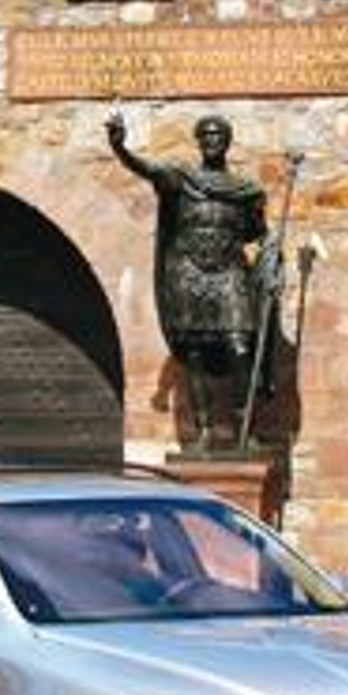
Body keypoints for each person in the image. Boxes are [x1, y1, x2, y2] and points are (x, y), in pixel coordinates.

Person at [107, 111, 270, 450]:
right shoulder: (180, 178)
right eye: (207, 135)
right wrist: (119, 147)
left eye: (219, 135)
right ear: (199, 141)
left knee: (240, 346)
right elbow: (146, 169)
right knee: (194, 350)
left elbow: (259, 234)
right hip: (189, 271)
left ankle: (246, 429)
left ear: (227, 142)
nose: (213, 140)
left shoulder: (247, 190)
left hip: (229, 271)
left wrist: (273, 256)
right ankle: (204, 430)